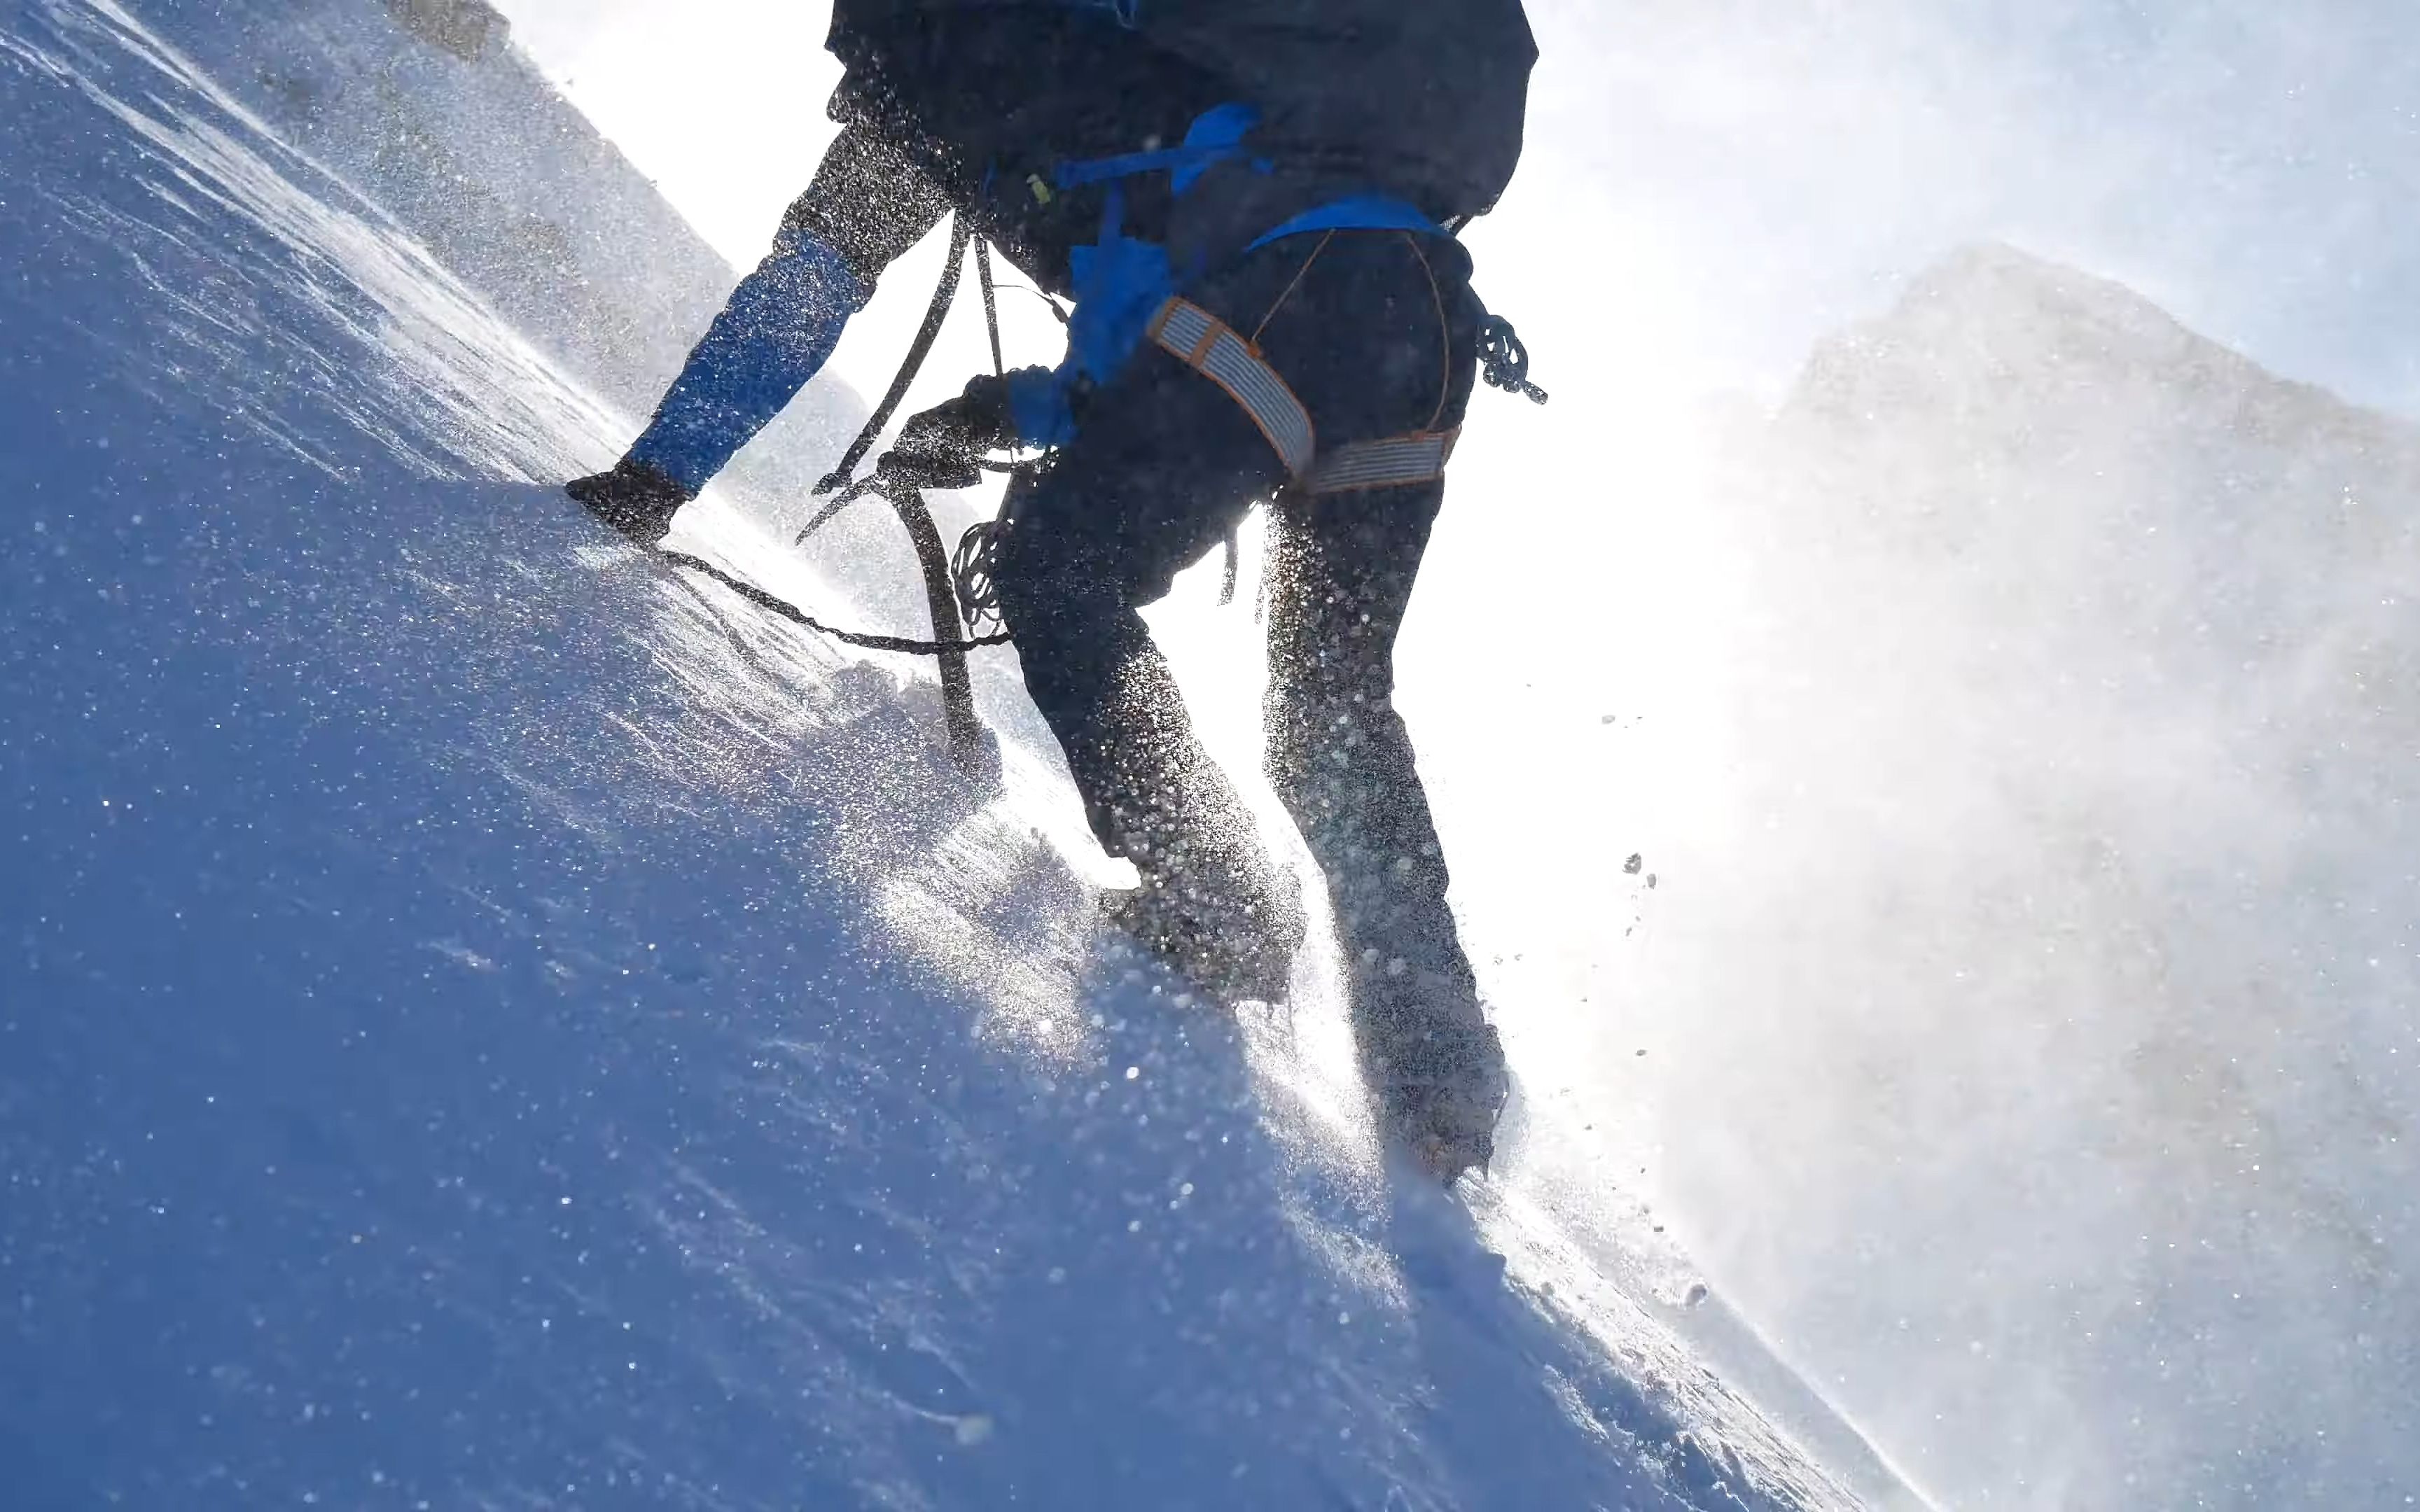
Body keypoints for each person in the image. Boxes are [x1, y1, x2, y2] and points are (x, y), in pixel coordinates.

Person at [568, 0, 1537, 1181]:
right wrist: (994, 410)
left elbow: (1131, 341)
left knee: (1061, 564)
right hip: (1423, 333)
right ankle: (1442, 1079)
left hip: (1307, 302)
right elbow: (1145, 348)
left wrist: (663, 480)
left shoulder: (1067, 111)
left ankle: (1217, 885)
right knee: (1327, 707)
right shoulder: (1212, 105)